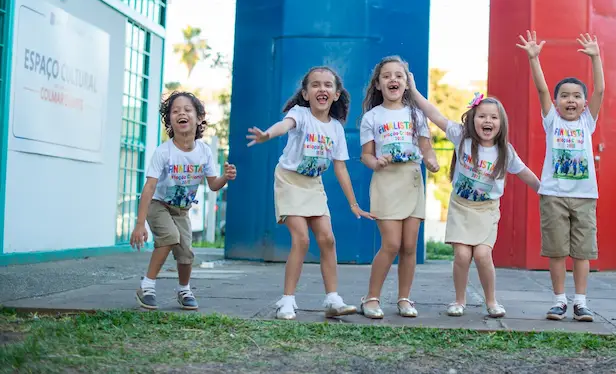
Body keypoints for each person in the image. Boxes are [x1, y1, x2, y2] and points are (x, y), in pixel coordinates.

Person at [246, 66, 373, 320]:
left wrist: (353, 204)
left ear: (336, 94)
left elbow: (341, 169)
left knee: (327, 239)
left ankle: (333, 299)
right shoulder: (300, 114)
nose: (322, 89)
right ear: (305, 93)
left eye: (328, 85)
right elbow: (284, 125)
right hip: (289, 181)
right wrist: (267, 135)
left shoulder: (336, 128)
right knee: (302, 239)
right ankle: (287, 301)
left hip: (313, 185)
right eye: (315, 85)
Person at [409, 75, 541, 318]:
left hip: (487, 210)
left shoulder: (505, 152)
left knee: (481, 254)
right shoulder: (462, 138)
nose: (487, 120)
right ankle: (459, 300)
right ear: (472, 119)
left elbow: (526, 174)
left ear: (501, 123)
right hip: (461, 207)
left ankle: (491, 301)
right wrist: (414, 92)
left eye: (493, 117)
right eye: (482, 116)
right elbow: (434, 114)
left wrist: (545, 191)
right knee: (461, 255)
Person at [516, 30, 604, 323]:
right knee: (556, 251)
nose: (571, 100)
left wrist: (595, 57)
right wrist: (534, 58)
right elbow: (541, 89)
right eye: (564, 96)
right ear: (555, 103)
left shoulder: (587, 122)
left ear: (583, 102)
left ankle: (581, 302)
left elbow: (601, 91)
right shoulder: (551, 120)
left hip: (585, 197)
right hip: (553, 194)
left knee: (582, 251)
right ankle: (559, 301)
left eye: (577, 96)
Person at [130, 91, 237, 311]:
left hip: (182, 210)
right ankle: (147, 286)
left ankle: (184, 289)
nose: (181, 113)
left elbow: (214, 185)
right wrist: (140, 223)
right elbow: (149, 187)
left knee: (186, 252)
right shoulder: (164, 152)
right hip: (158, 205)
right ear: (169, 120)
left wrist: (226, 176)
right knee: (170, 236)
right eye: (175, 111)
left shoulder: (204, 152)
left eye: (187, 110)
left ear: (198, 118)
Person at [358, 56, 439, 319]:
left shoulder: (417, 114)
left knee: (409, 246)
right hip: (386, 182)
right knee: (391, 244)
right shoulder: (372, 117)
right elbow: (366, 155)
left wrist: (432, 161)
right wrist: (376, 162)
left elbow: (426, 149)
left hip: (412, 180)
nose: (393, 79)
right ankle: (371, 298)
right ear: (378, 84)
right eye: (387, 76)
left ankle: (404, 298)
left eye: (399, 76)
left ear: (406, 83)